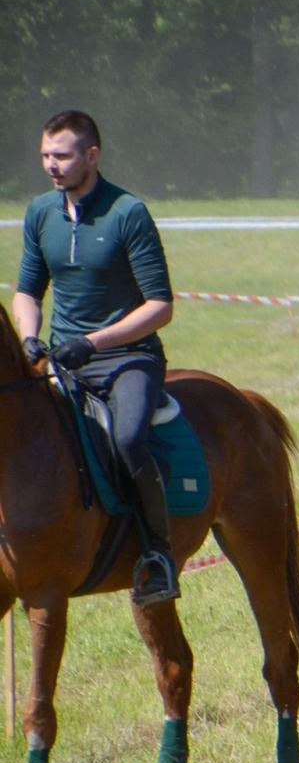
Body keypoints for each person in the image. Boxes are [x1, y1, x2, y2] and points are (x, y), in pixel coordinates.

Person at [16, 110, 181, 605]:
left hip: (128, 359)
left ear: (92, 156)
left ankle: (157, 555)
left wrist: (93, 342)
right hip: (62, 361)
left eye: (62, 155)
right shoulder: (40, 212)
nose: (51, 165)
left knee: (129, 438)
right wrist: (29, 337)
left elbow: (161, 306)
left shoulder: (128, 212)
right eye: (46, 155)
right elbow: (27, 290)